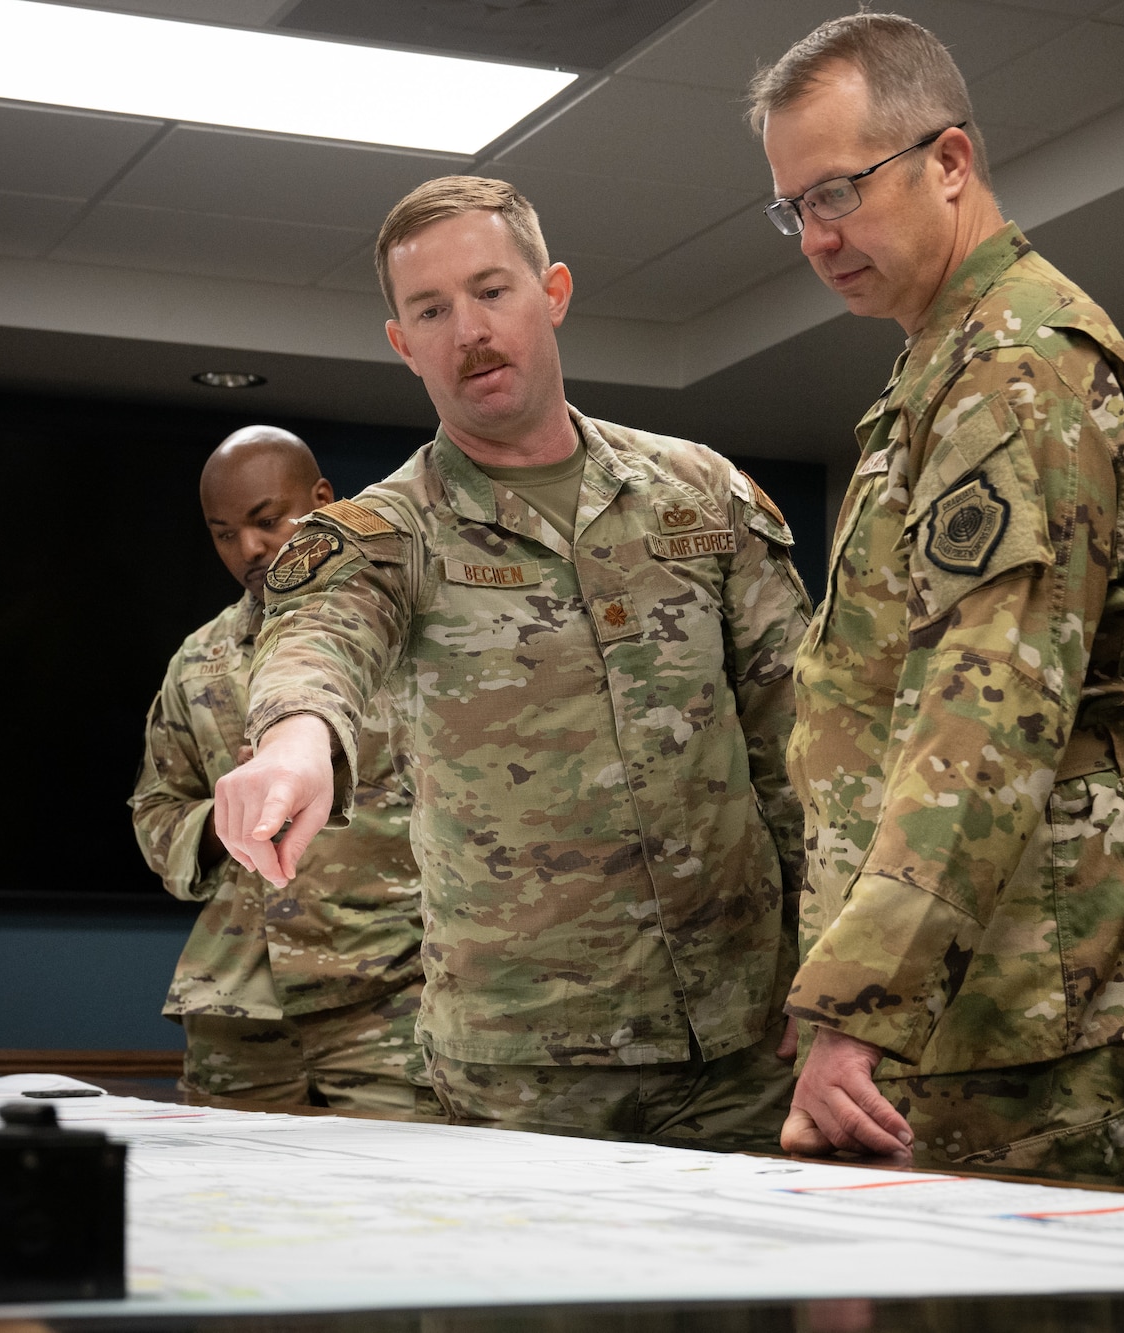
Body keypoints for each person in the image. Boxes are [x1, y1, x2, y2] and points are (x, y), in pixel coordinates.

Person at [210, 178, 810, 1152]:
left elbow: (804, 755)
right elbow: (320, 639)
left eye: (492, 292)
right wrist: (293, 742)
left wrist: (833, 980)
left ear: (553, 291)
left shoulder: (701, 498)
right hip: (522, 1072)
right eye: (432, 311)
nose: (469, 331)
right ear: (403, 344)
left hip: (741, 1048)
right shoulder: (381, 532)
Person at [749, 13, 1124, 1183]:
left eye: (837, 191)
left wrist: (855, 997)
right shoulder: (939, 368)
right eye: (793, 207)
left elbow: (981, 719)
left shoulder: (1013, 367)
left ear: (947, 163)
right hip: (956, 999)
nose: (814, 235)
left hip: (1028, 1003)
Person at [128, 426, 434, 1118]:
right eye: (224, 533)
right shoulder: (198, 661)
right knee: (226, 1216)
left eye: (267, 521)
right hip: (239, 1008)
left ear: (323, 500)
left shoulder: (406, 643)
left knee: (400, 1209)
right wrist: (228, 820)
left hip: (390, 997)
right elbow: (157, 809)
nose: (249, 549)